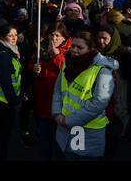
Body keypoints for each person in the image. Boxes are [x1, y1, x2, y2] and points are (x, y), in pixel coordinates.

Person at [52, 31, 116, 160]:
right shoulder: (67, 63)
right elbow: (58, 89)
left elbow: (99, 104)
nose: (74, 50)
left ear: (91, 49)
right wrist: (57, 113)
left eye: (80, 47)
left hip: (87, 130)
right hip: (64, 125)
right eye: (73, 46)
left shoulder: (102, 71)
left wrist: (68, 120)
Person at [96, 24, 131, 155]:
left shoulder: (124, 53)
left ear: (113, 38)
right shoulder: (95, 53)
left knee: (114, 134)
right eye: (99, 38)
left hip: (120, 97)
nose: (101, 42)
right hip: (99, 100)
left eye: (105, 38)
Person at [33, 22, 72, 160]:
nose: (54, 38)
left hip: (60, 106)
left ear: (64, 38)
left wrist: (56, 56)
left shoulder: (70, 52)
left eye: (57, 35)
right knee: (45, 142)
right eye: (52, 35)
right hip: (43, 104)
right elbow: (33, 65)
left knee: (59, 144)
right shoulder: (41, 49)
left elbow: (68, 71)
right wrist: (35, 67)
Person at [0, 24, 22, 160]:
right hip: (3, 101)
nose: (14, 38)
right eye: (10, 36)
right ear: (2, 37)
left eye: (15, 35)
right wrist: (15, 101)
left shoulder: (3, 49)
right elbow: (6, 81)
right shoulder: (3, 55)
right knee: (3, 134)